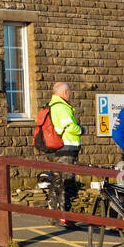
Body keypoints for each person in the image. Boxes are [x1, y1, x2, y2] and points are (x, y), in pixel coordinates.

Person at [45, 81, 82, 225]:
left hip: (56, 149)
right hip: (65, 149)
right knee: (66, 182)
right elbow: (70, 127)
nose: (70, 94)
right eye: (69, 92)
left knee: (56, 181)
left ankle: (54, 214)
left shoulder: (52, 105)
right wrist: (81, 130)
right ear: (65, 93)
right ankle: (64, 216)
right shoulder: (61, 107)